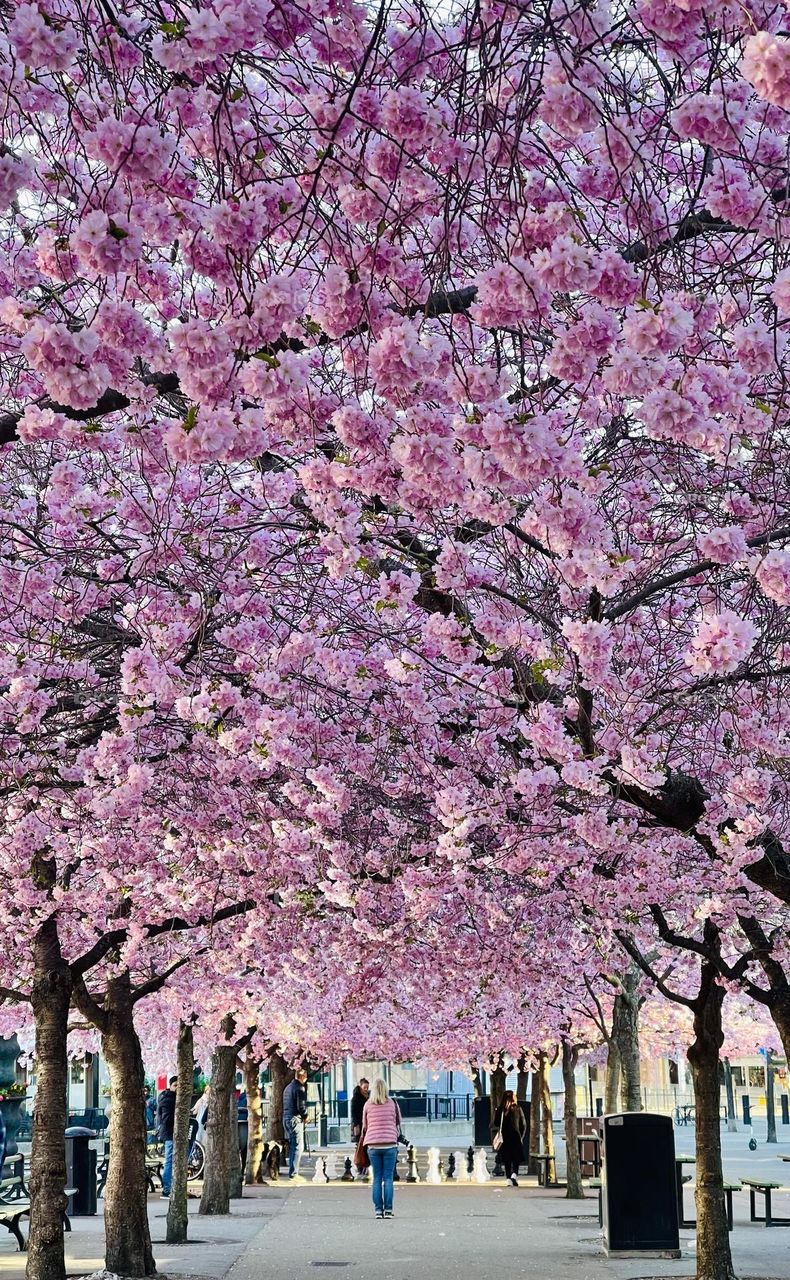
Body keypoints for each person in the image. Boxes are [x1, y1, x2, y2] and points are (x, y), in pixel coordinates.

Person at [360, 1077, 401, 1220]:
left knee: (377, 1178)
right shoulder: (392, 1103)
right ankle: (388, 1210)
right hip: (390, 1144)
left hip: (373, 1145)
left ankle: (378, 1210)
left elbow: (364, 1126)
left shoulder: (367, 1105)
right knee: (388, 1178)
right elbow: (398, 1121)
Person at [491, 1090, 526, 1187]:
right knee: (516, 1158)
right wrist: (521, 1136)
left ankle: (508, 1179)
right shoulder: (517, 1108)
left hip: (504, 1138)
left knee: (507, 1159)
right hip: (515, 1137)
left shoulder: (499, 1109)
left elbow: (496, 1123)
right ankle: (514, 1175)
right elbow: (523, 1124)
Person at [282, 1067, 308, 1180]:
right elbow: (301, 1106)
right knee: (298, 1146)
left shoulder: (288, 1087)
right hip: (295, 1119)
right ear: (303, 1077)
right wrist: (306, 1116)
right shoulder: (299, 1088)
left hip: (286, 1117)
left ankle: (293, 1172)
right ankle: (293, 1173)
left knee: (293, 1145)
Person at [156, 1075, 178, 1197]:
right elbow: (167, 1119)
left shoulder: (168, 1097)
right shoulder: (168, 1099)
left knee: (171, 1160)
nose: (177, 1088)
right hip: (169, 1133)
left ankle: (169, 1187)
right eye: (175, 1085)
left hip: (170, 1132)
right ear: (170, 1086)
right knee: (169, 1160)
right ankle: (167, 1188)